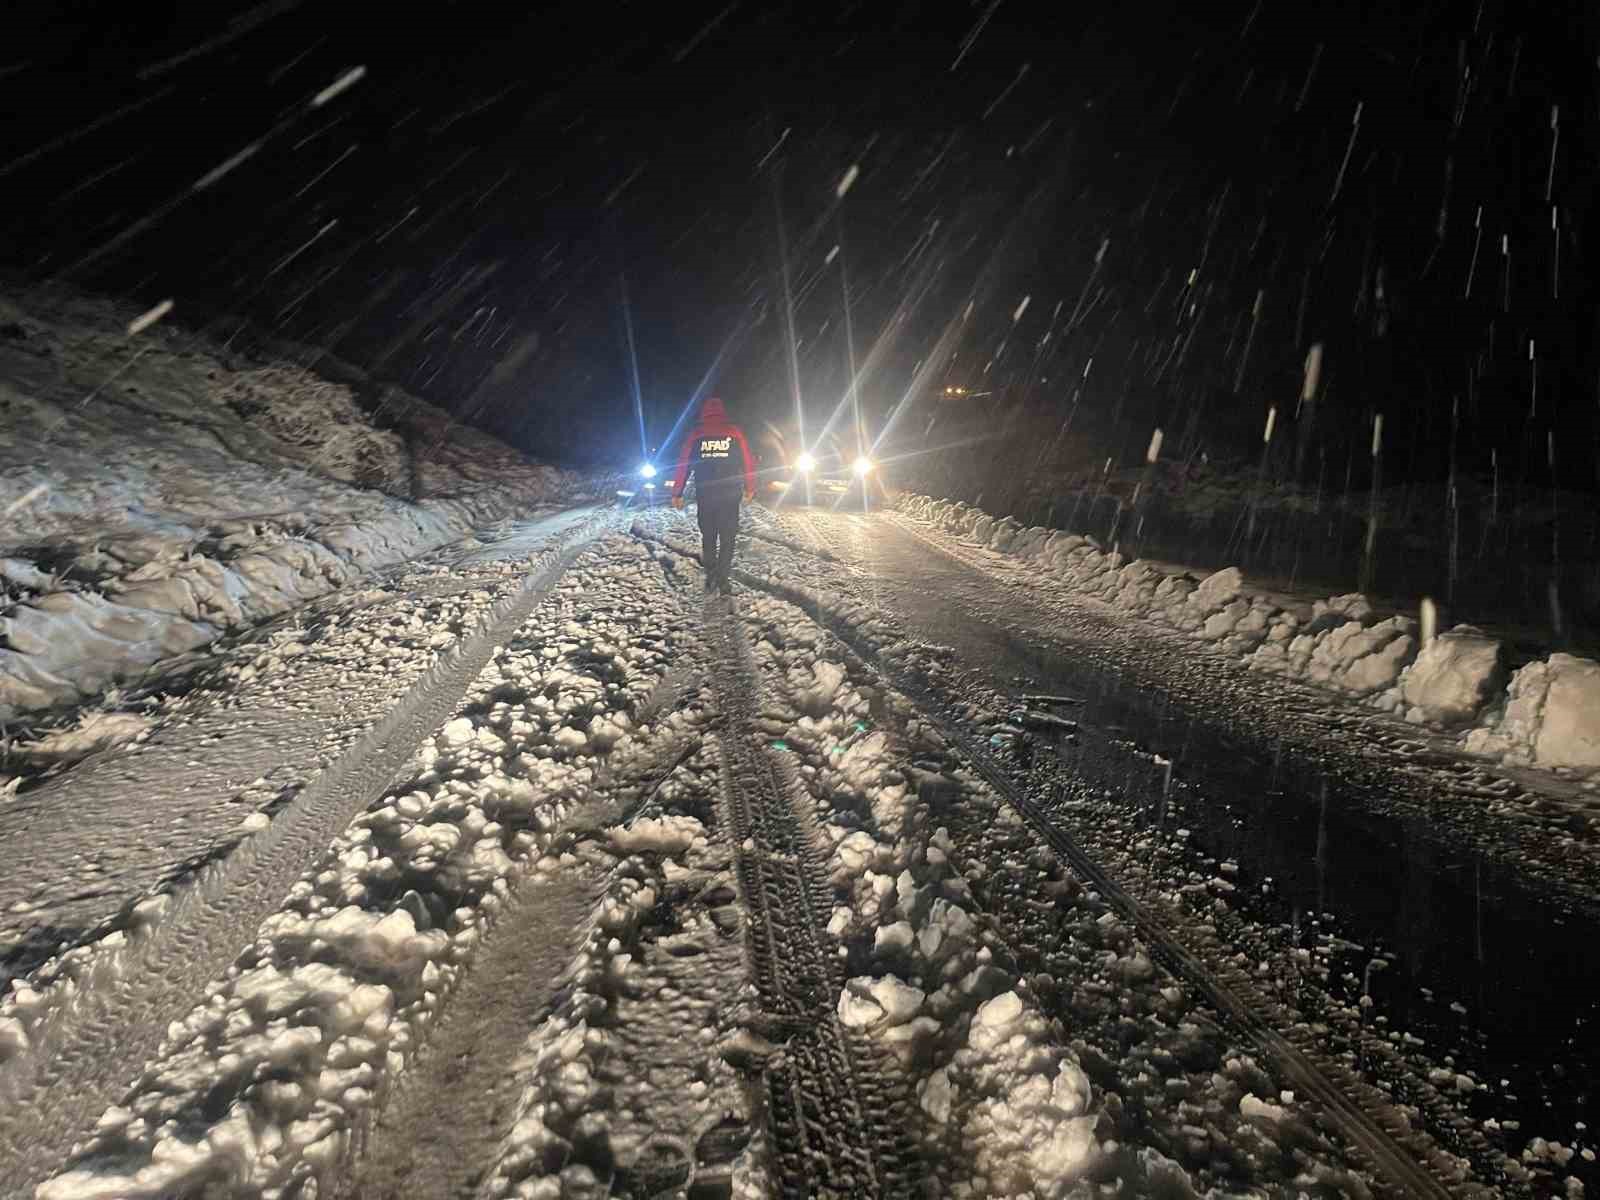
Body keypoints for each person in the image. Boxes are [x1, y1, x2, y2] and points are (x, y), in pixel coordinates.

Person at [670, 396, 756, 594]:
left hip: (706, 495)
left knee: (708, 536)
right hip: (730, 495)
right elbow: (748, 463)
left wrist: (677, 492)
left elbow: (683, 466)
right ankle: (723, 578)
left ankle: (710, 575)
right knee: (728, 537)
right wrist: (750, 488)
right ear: (722, 413)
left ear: (704, 413)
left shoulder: (696, 435)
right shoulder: (735, 433)